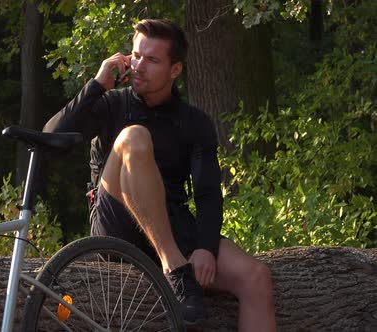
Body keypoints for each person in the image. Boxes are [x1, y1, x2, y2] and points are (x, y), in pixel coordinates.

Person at [43, 18, 276, 330]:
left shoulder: (194, 122)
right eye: (136, 56)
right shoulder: (111, 103)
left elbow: (207, 193)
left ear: (175, 70)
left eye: (152, 60)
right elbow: (50, 141)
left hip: (170, 224)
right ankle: (176, 270)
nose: (139, 66)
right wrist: (97, 85)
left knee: (256, 277)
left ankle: (176, 263)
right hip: (116, 225)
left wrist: (205, 247)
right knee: (134, 137)